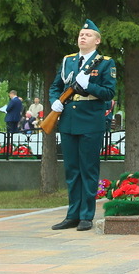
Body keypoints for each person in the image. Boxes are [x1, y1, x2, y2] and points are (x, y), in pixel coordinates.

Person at [49, 19, 117, 232]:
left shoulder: (105, 63)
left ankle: (86, 215)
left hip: (90, 120)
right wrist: (55, 101)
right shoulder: (68, 60)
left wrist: (90, 86)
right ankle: (72, 215)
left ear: (97, 41)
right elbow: (56, 85)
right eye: (80, 34)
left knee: (88, 169)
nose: (82, 37)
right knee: (72, 170)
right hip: (68, 119)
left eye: (87, 35)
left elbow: (108, 92)